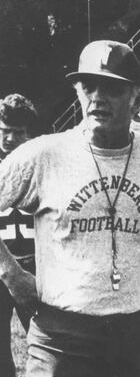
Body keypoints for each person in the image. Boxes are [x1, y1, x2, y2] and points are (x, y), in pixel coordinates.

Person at [0, 40, 140, 377]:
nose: (98, 98)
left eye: (112, 88)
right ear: (77, 91)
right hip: (61, 335)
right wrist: (11, 272)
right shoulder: (45, 155)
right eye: (88, 86)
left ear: (137, 98)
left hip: (135, 331)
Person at [0, 94, 38, 376]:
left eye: (18, 132)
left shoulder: (42, 164)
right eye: (5, 131)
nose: (10, 138)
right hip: (1, 264)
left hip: (37, 267)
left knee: (50, 348)